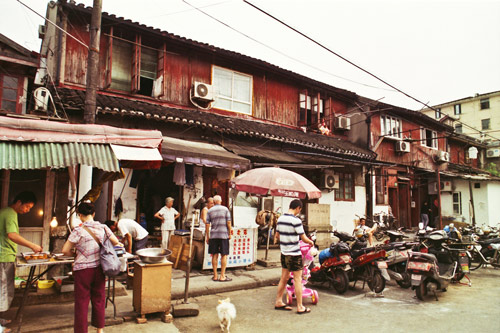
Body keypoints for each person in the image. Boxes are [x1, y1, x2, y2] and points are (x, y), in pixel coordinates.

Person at [62, 201, 121, 333]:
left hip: (83, 270)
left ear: (80, 215)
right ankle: (100, 329)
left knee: (82, 302)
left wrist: (76, 254)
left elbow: (65, 250)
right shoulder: (104, 228)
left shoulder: (78, 230)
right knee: (99, 299)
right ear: (93, 214)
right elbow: (116, 242)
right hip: (100, 269)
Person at [0, 192, 42, 333]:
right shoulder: (10, 213)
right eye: (27, 207)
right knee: (2, 290)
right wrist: (32, 245)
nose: (27, 210)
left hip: (6, 256)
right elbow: (12, 235)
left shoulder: (6, 212)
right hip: (3, 257)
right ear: (19, 202)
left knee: (4, 290)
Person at [274, 199, 314, 314]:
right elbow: (304, 238)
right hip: (295, 254)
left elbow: (277, 236)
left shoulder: (280, 219)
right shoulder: (296, 221)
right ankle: (300, 306)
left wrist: (286, 240)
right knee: (297, 279)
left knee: (284, 278)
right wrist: (310, 242)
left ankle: (278, 301)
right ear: (298, 208)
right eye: (299, 210)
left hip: (284, 253)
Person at [206, 195, 232, 282]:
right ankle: (222, 276)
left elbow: (207, 224)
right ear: (220, 201)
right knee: (224, 255)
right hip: (223, 235)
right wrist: (230, 232)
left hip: (213, 235)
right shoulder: (225, 209)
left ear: (214, 201)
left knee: (214, 255)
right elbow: (228, 222)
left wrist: (207, 236)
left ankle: (215, 276)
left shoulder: (210, 211)